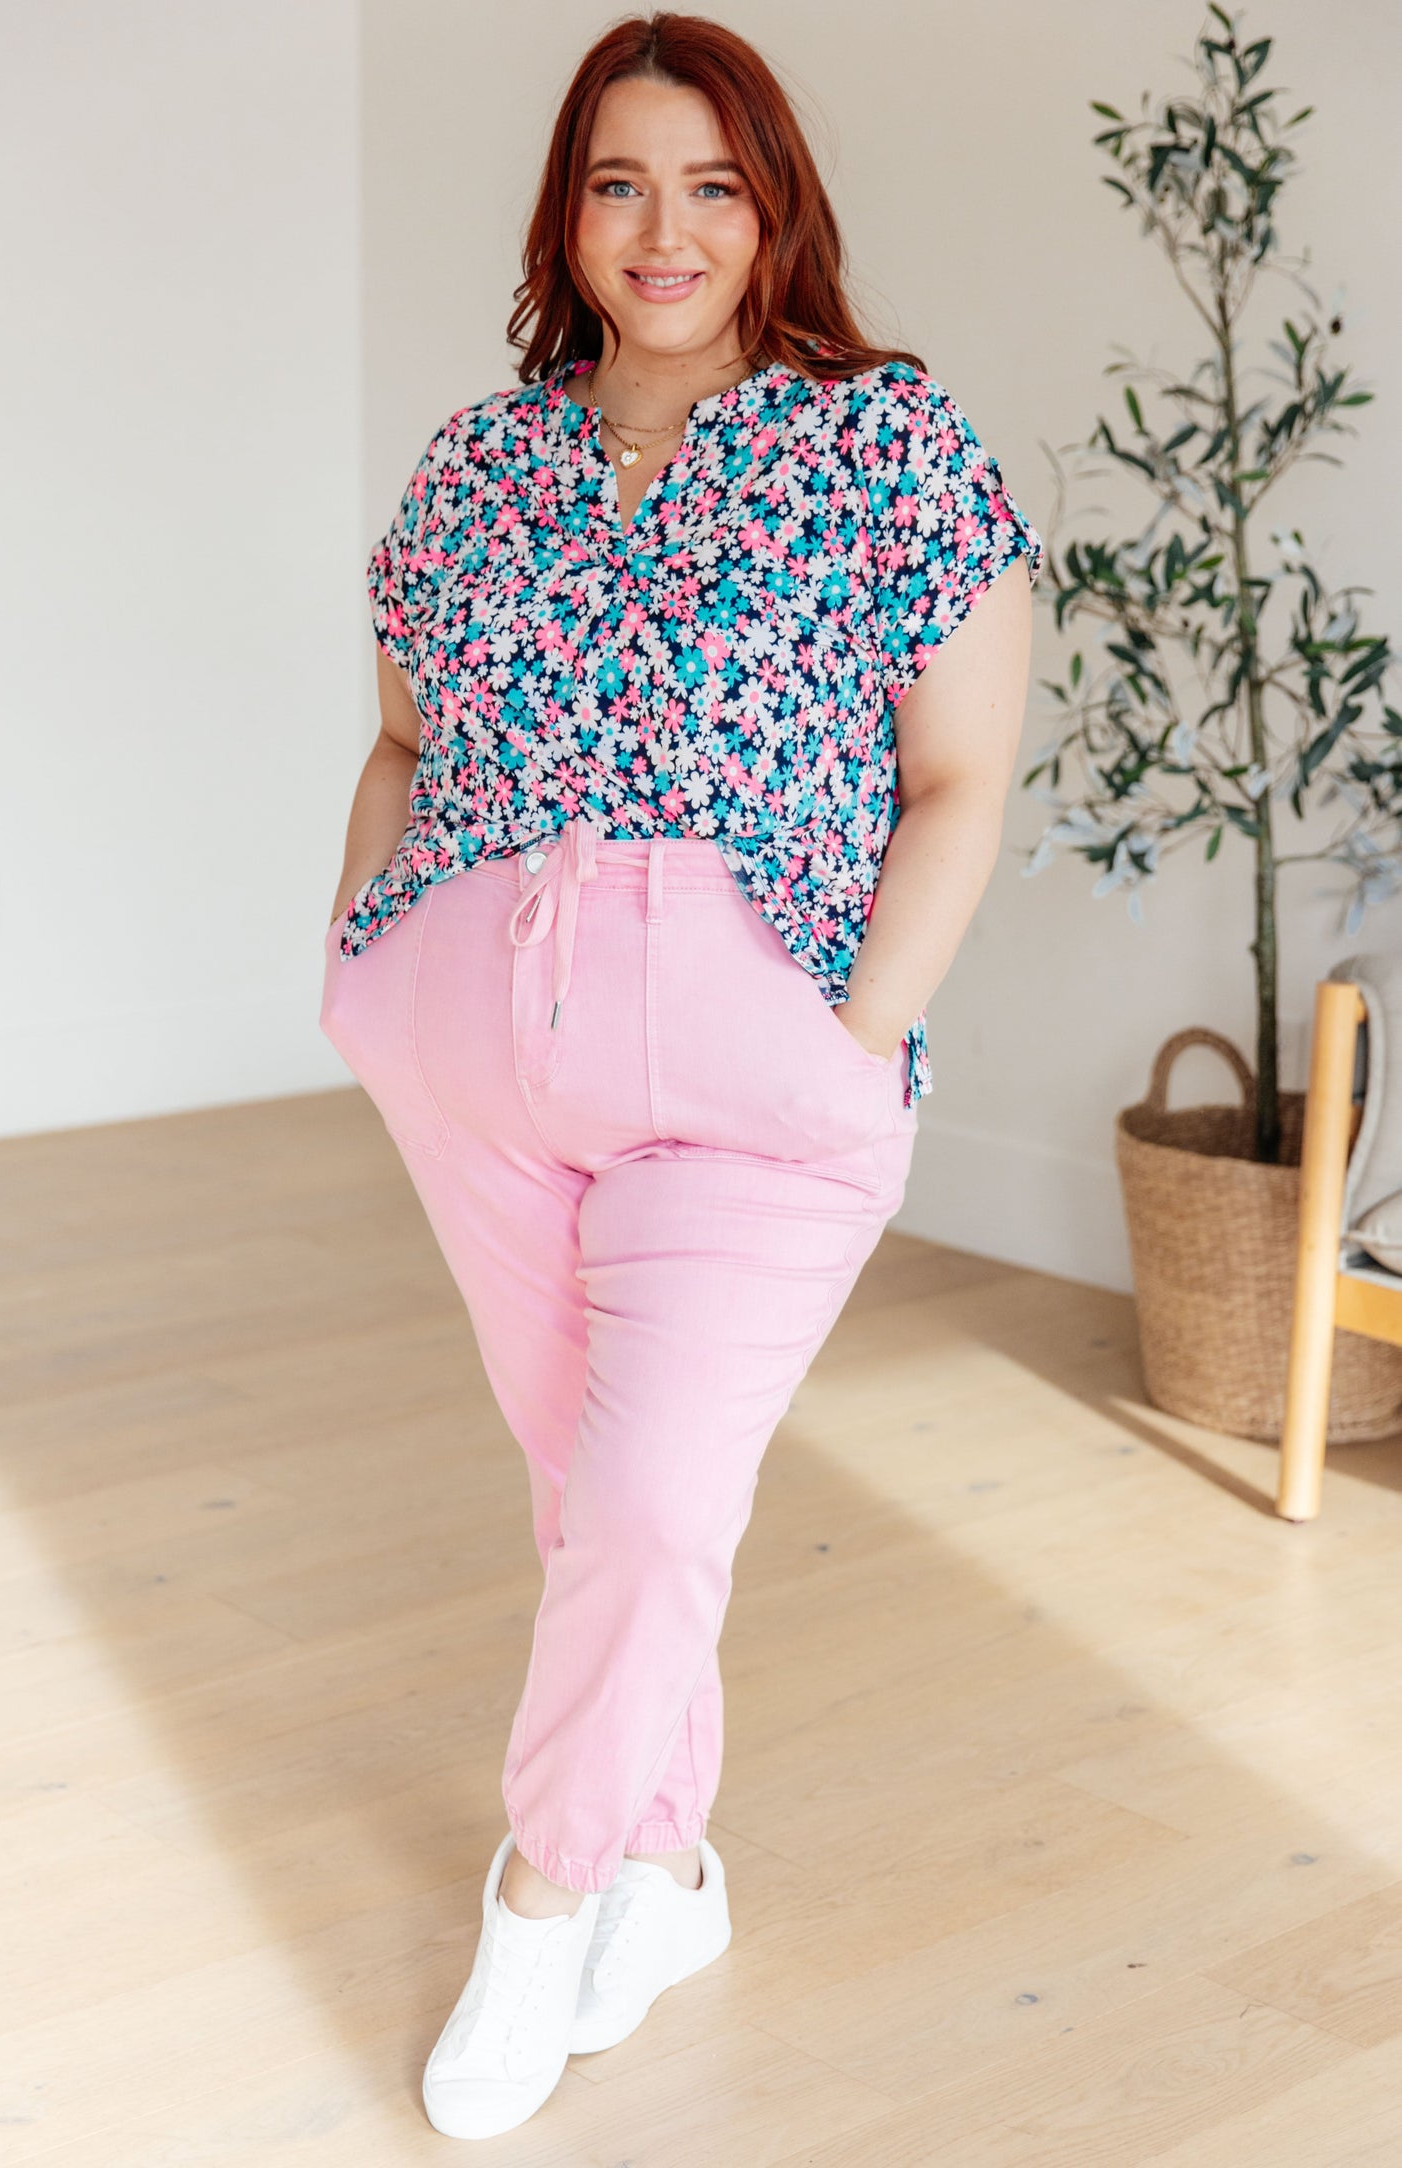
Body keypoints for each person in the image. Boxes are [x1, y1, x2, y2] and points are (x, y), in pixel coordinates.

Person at [320, 8, 1042, 2141]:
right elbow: (399, 739)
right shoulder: (477, 464)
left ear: (774, 207)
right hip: (480, 1052)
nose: (666, 229)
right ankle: (672, 1866)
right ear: (570, 208)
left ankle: (541, 1897)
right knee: (607, 1509)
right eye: (622, 181)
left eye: (712, 184)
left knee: (646, 1497)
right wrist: (365, 962)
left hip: (759, 1079)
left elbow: (963, 775)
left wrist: (862, 1039)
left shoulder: (884, 444)